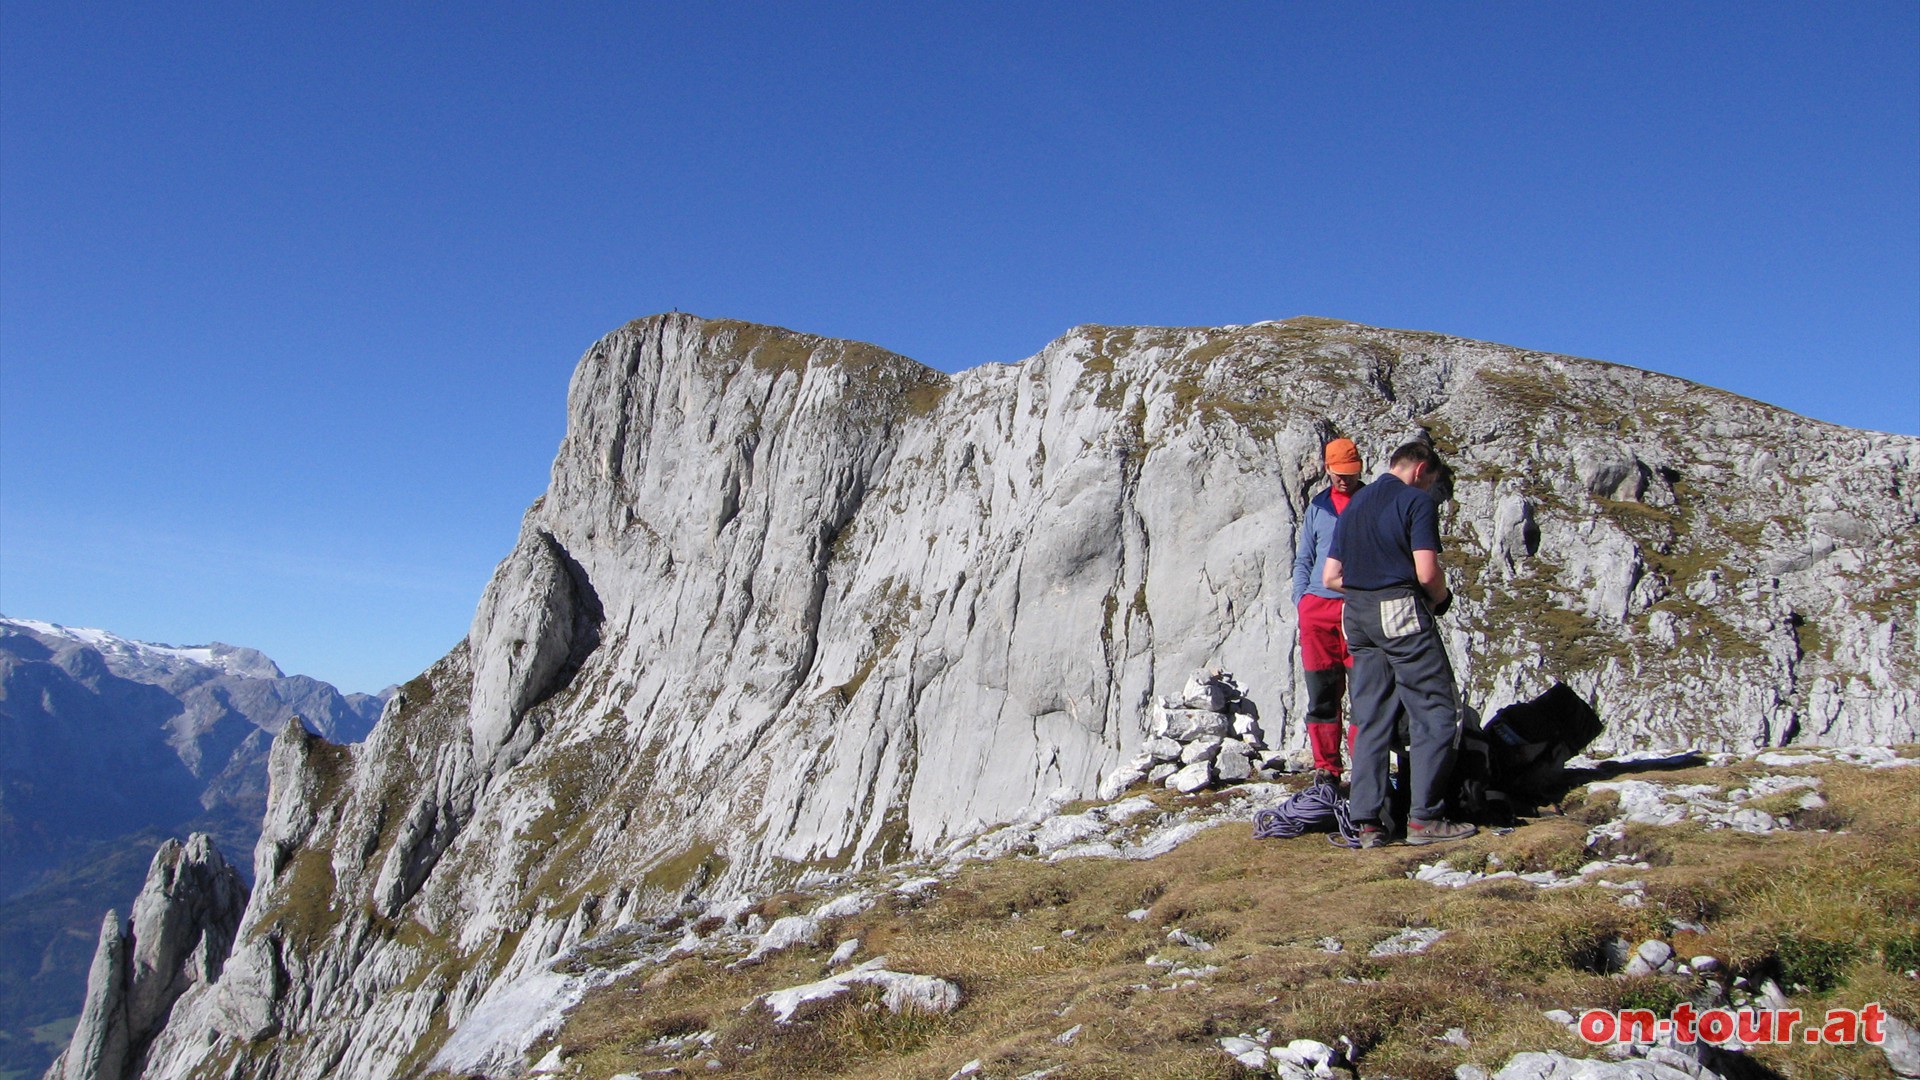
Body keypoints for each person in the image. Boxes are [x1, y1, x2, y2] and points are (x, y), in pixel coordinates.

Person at [1322, 440, 1476, 848]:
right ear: (1421, 469)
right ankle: (1425, 817)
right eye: (1431, 482)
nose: (1429, 490)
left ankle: (1368, 822)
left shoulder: (1354, 503)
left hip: (1355, 612)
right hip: (1398, 610)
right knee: (1435, 708)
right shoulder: (1415, 502)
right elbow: (1428, 573)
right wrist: (1440, 600)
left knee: (1371, 714)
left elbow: (1331, 577)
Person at [1290, 437, 1366, 787]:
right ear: (1327, 469)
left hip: (1357, 605)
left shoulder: (1370, 503)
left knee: (1365, 691)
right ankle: (1327, 768)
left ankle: (1365, 766)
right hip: (1317, 609)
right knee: (1322, 691)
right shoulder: (1317, 508)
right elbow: (1304, 557)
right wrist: (1301, 600)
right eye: (1338, 473)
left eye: (1349, 473)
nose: (1344, 480)